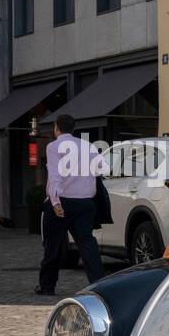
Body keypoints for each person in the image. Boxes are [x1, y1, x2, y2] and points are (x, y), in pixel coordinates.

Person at [37, 114, 105, 296]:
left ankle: (47, 286)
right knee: (87, 244)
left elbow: (55, 175)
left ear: (56, 128)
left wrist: (55, 201)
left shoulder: (54, 146)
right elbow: (102, 168)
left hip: (63, 201)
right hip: (85, 203)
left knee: (53, 245)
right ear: (73, 128)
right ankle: (98, 284)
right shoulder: (88, 146)